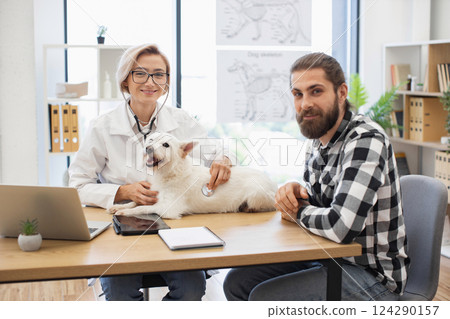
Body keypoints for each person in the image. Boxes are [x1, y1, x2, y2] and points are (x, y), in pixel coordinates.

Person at [223, 52, 409, 301]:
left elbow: (341, 226)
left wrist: (296, 211)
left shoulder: (365, 140)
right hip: (327, 258)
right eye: (298, 94)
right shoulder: (318, 140)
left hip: (371, 278)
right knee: (237, 282)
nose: (305, 103)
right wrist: (294, 193)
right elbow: (321, 203)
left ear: (341, 92)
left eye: (316, 91)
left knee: (264, 297)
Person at [69, 44, 232, 301]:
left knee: (191, 289)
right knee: (121, 294)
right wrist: (121, 192)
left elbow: (217, 152)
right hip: (125, 226)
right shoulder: (102, 127)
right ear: (126, 79)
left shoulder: (180, 120)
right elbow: (77, 185)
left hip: (175, 224)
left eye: (159, 74)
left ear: (166, 82)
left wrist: (223, 159)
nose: (150, 82)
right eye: (140, 73)